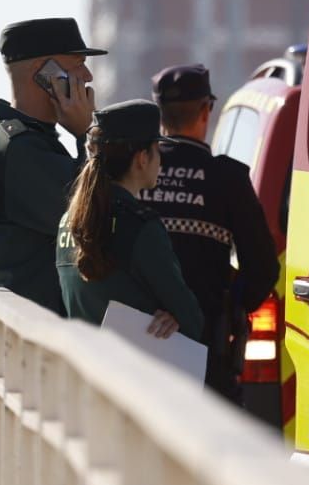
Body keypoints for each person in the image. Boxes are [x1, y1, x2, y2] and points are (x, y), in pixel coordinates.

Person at [140, 64, 279, 399]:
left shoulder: (135, 169)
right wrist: (229, 304)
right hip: (202, 351)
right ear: (206, 110)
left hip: (135, 343)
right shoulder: (227, 178)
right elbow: (263, 268)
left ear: (159, 114)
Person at [0, 18, 102, 315]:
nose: (88, 76)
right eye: (78, 64)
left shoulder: (5, 139)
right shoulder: (18, 149)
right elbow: (95, 220)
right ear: (44, 73)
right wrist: (87, 136)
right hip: (46, 329)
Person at [56, 100, 204, 338]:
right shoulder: (142, 227)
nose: (161, 160)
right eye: (157, 150)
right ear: (142, 158)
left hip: (81, 357)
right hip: (127, 361)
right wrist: (176, 317)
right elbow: (192, 320)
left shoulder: (68, 221)